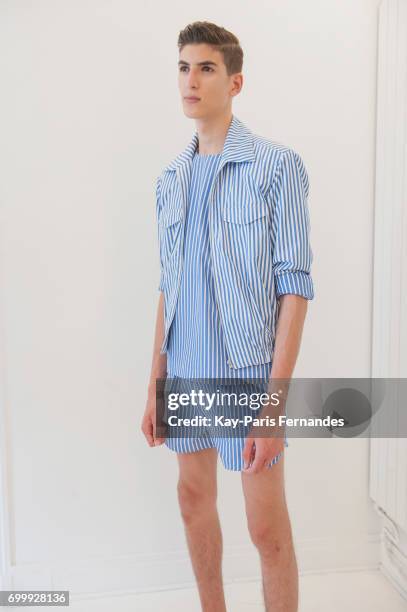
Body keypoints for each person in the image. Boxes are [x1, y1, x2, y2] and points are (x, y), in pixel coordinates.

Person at [141, 20, 315, 612]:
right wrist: (155, 383)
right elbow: (170, 287)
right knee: (193, 503)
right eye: (184, 68)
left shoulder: (276, 167)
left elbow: (295, 289)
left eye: (206, 68)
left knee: (266, 530)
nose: (191, 80)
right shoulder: (171, 181)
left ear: (235, 81)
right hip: (185, 374)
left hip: (245, 378)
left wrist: (274, 402)